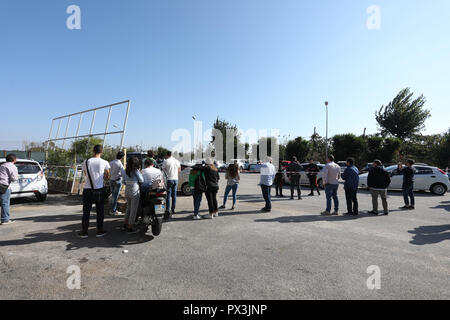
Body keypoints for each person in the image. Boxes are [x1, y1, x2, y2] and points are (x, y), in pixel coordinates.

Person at [79, 145, 110, 238]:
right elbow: (107, 175)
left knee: (86, 211)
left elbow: (85, 174)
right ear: (102, 152)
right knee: (100, 211)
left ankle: (84, 231)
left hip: (88, 189)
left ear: (93, 151)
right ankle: (99, 231)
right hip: (99, 189)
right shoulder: (105, 162)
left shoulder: (86, 161)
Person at [121, 157, 144, 233]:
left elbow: (123, 182)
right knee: (133, 210)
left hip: (127, 190)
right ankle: (130, 227)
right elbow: (142, 180)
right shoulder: (136, 171)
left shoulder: (125, 171)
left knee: (128, 208)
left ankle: (125, 223)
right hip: (134, 191)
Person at [161, 151, 181, 219]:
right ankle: (173, 209)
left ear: (167, 155)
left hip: (169, 179)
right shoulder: (177, 161)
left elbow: (163, 170)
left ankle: (168, 209)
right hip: (176, 179)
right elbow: (179, 170)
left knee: (168, 195)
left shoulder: (166, 161)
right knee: (174, 195)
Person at [0, 154, 19, 225]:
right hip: (4, 186)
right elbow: (14, 178)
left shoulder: (2, 165)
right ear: (14, 159)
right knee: (5, 203)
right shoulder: (12, 166)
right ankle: (5, 219)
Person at [109, 151, 125, 216]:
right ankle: (113, 210)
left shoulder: (111, 162)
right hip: (117, 180)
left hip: (111, 180)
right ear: (122, 157)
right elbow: (123, 173)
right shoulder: (120, 164)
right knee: (115, 197)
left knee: (113, 195)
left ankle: (112, 209)